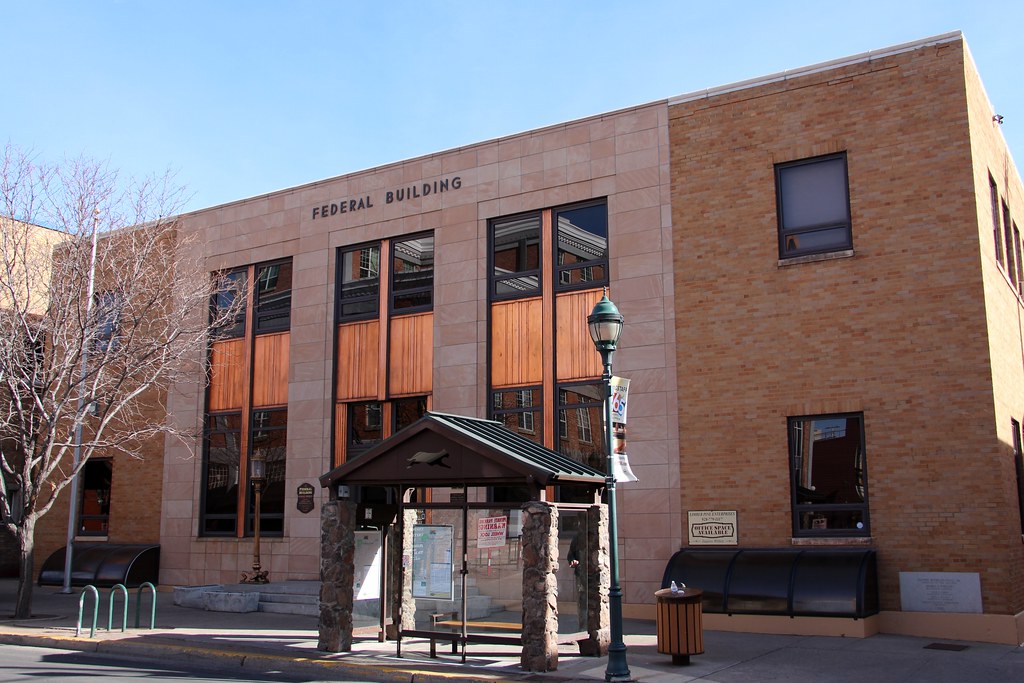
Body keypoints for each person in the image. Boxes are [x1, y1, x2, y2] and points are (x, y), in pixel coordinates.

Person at [566, 532, 588, 631]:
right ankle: (583, 627)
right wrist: (573, 561)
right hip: (580, 574)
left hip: (592, 575)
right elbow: (570, 555)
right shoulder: (577, 538)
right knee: (582, 601)